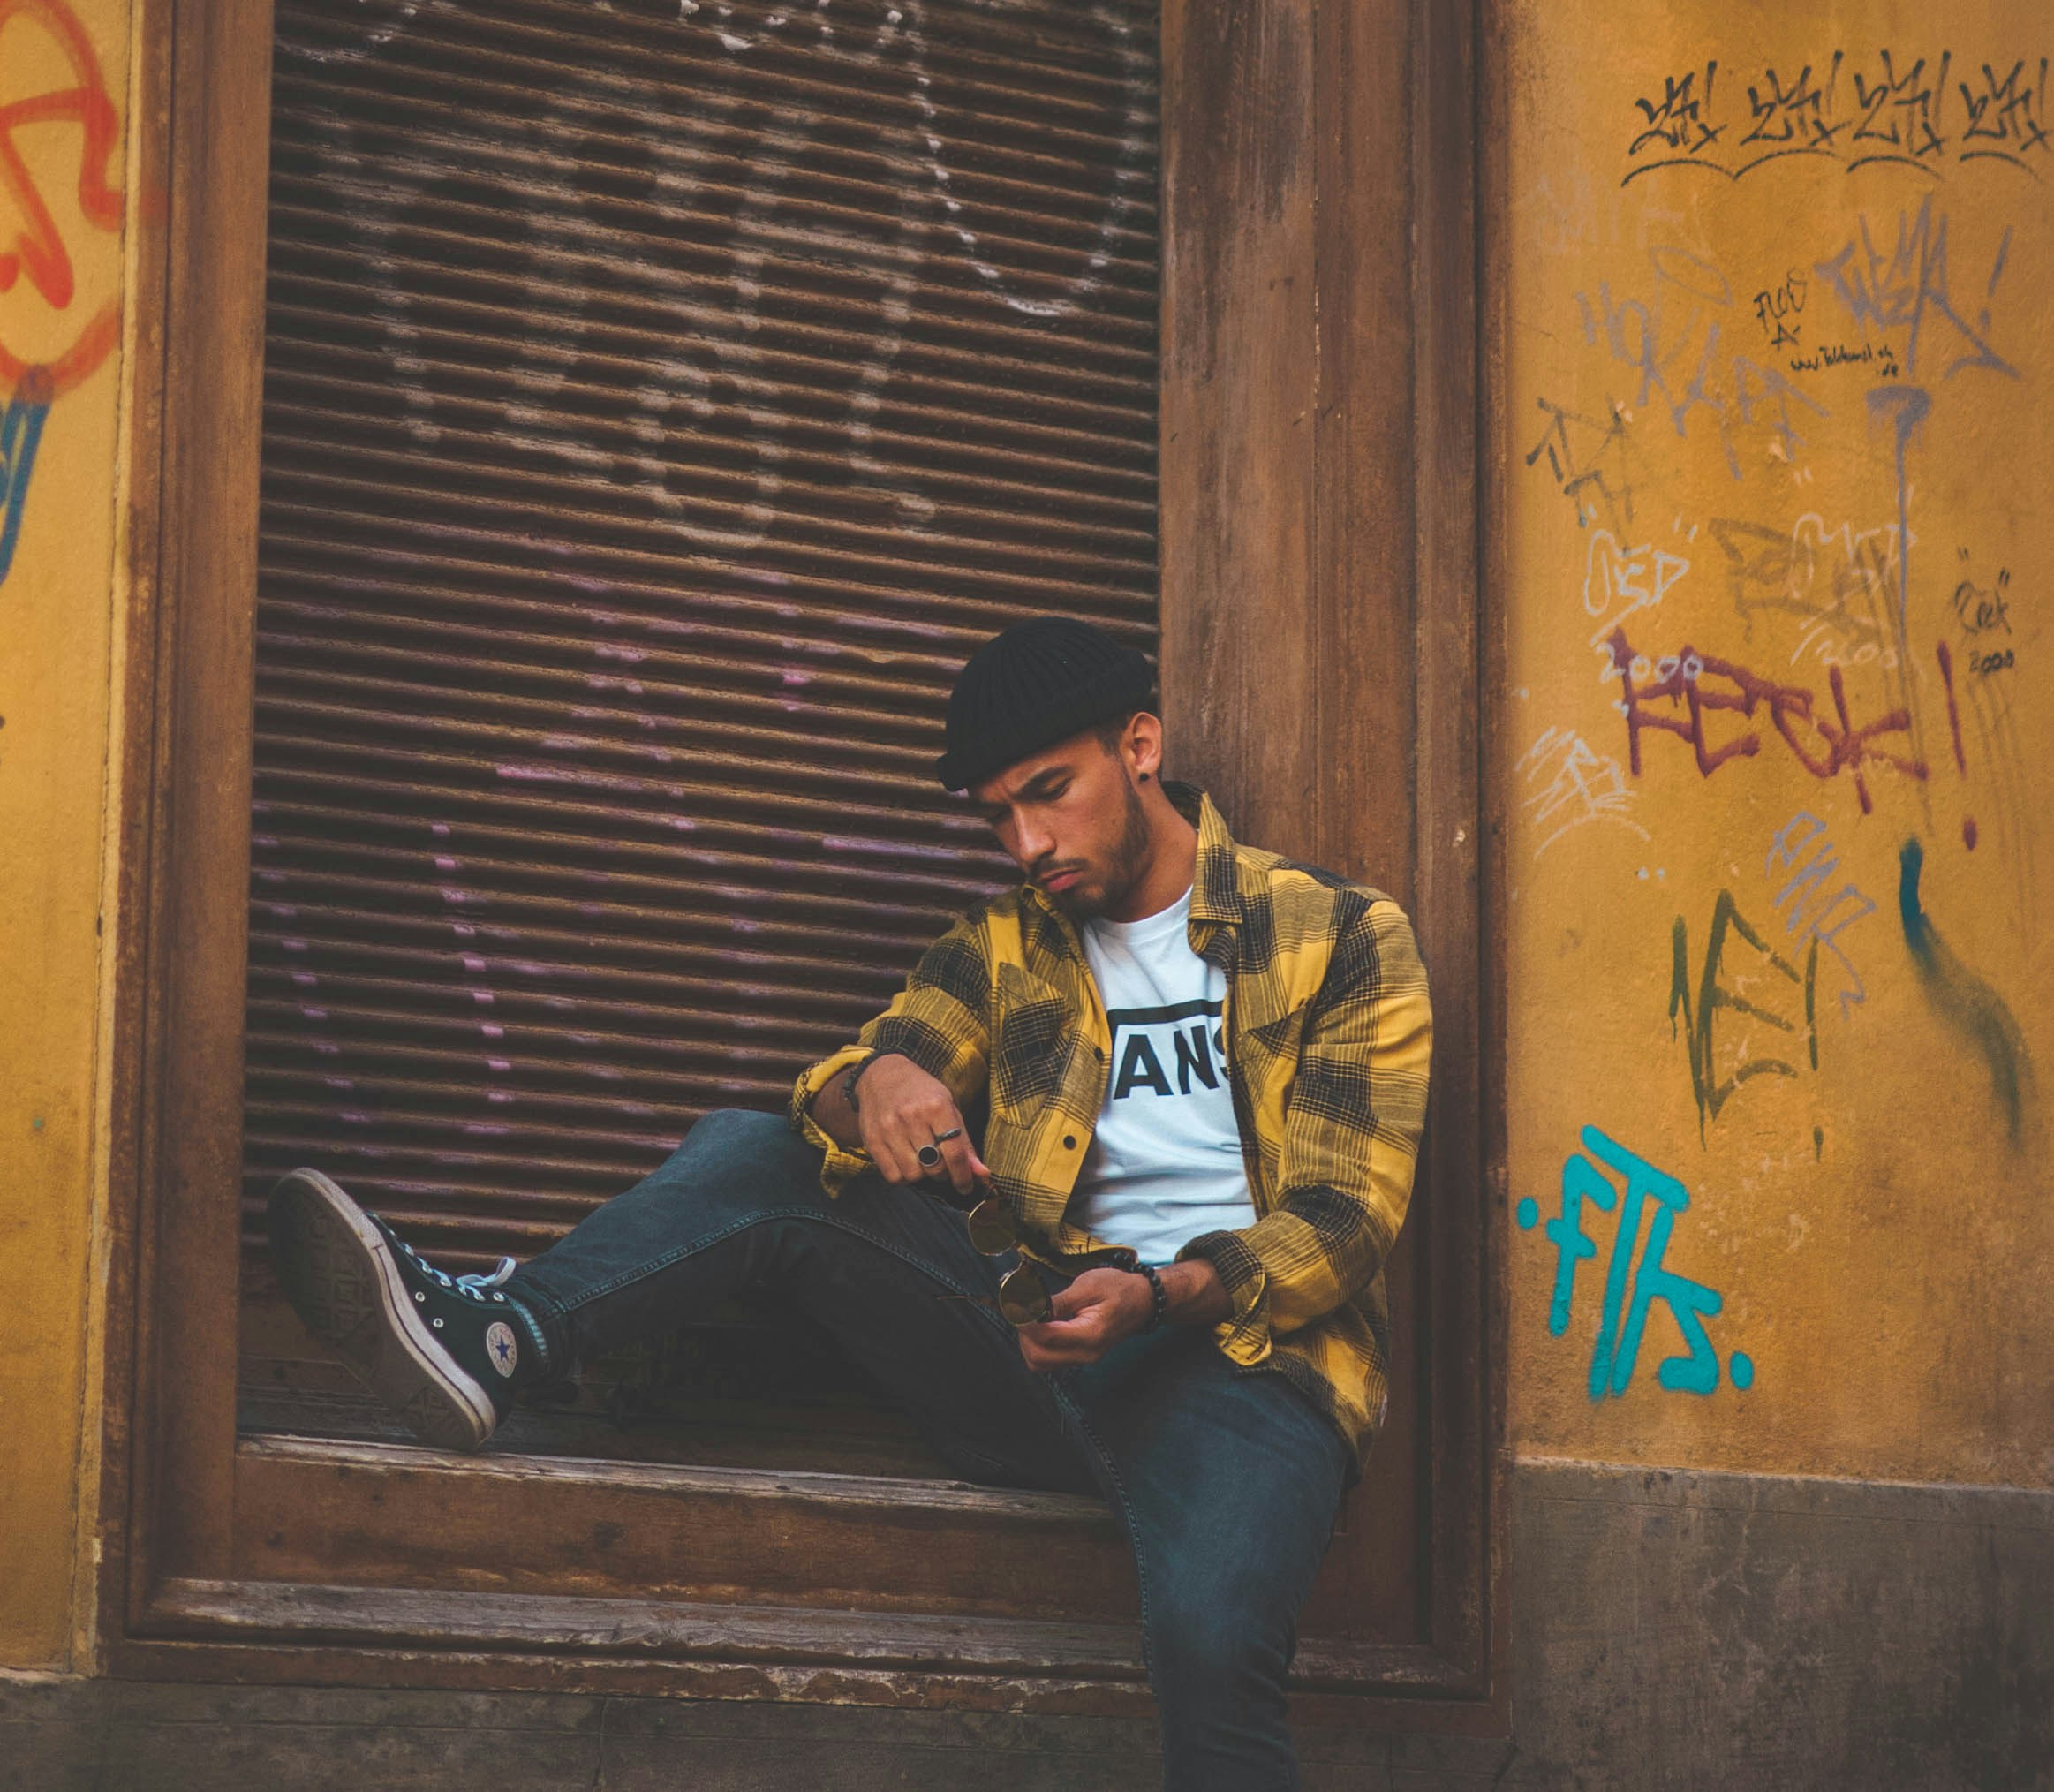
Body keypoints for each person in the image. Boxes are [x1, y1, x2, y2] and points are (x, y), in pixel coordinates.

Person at [267, 616, 1432, 1790]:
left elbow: (1346, 1219)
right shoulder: (1003, 944)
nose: (1028, 842)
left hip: (1240, 1366)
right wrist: (873, 1079)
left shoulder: (1335, 933)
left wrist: (1157, 1294)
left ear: (1138, 747)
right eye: (997, 816)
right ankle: (504, 1337)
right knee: (758, 1149)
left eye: (1048, 792)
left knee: (1212, 1645)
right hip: (1028, 1340)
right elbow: (856, 1078)